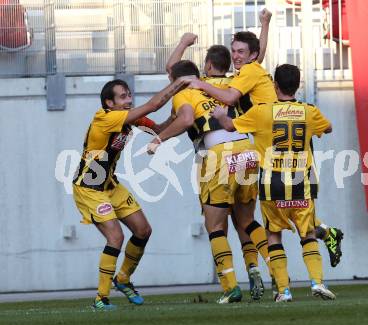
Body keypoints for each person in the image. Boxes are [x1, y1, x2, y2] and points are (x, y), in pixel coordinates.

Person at [148, 60, 271, 304]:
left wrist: (157, 140)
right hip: (248, 151)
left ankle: (230, 286)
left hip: (217, 157)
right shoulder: (226, 85)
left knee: (215, 225)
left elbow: (185, 120)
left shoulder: (184, 92)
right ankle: (275, 275)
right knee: (246, 221)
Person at [212, 64, 336, 301]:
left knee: (274, 235)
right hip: (301, 182)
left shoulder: (261, 112)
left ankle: (283, 290)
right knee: (308, 233)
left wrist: (220, 115)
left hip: (272, 184)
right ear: (298, 85)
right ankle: (317, 282)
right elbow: (328, 128)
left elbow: (230, 126)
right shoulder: (309, 111)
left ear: (274, 85)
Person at [72, 77, 190, 310]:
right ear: (109, 102)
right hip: (89, 190)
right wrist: (180, 82)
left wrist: (178, 113)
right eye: (123, 97)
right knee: (116, 238)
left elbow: (159, 128)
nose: (129, 100)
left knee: (143, 230)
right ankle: (101, 298)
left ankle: (123, 278)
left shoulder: (129, 120)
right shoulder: (105, 118)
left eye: (129, 95)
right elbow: (153, 104)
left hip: (110, 186)